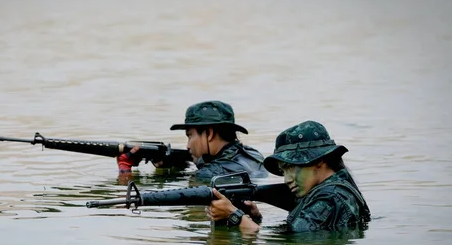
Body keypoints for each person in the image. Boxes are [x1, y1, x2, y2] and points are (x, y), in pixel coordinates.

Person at [206, 120, 371, 233]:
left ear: (319, 160)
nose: (287, 179)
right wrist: (255, 218)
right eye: (284, 171)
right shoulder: (332, 191)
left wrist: (234, 215)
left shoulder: (329, 199)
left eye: (291, 167)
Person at [117, 100, 268, 181]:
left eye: (190, 136)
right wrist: (178, 166)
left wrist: (125, 171)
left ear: (209, 133)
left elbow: (175, 197)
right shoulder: (253, 154)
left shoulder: (209, 175)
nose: (188, 145)